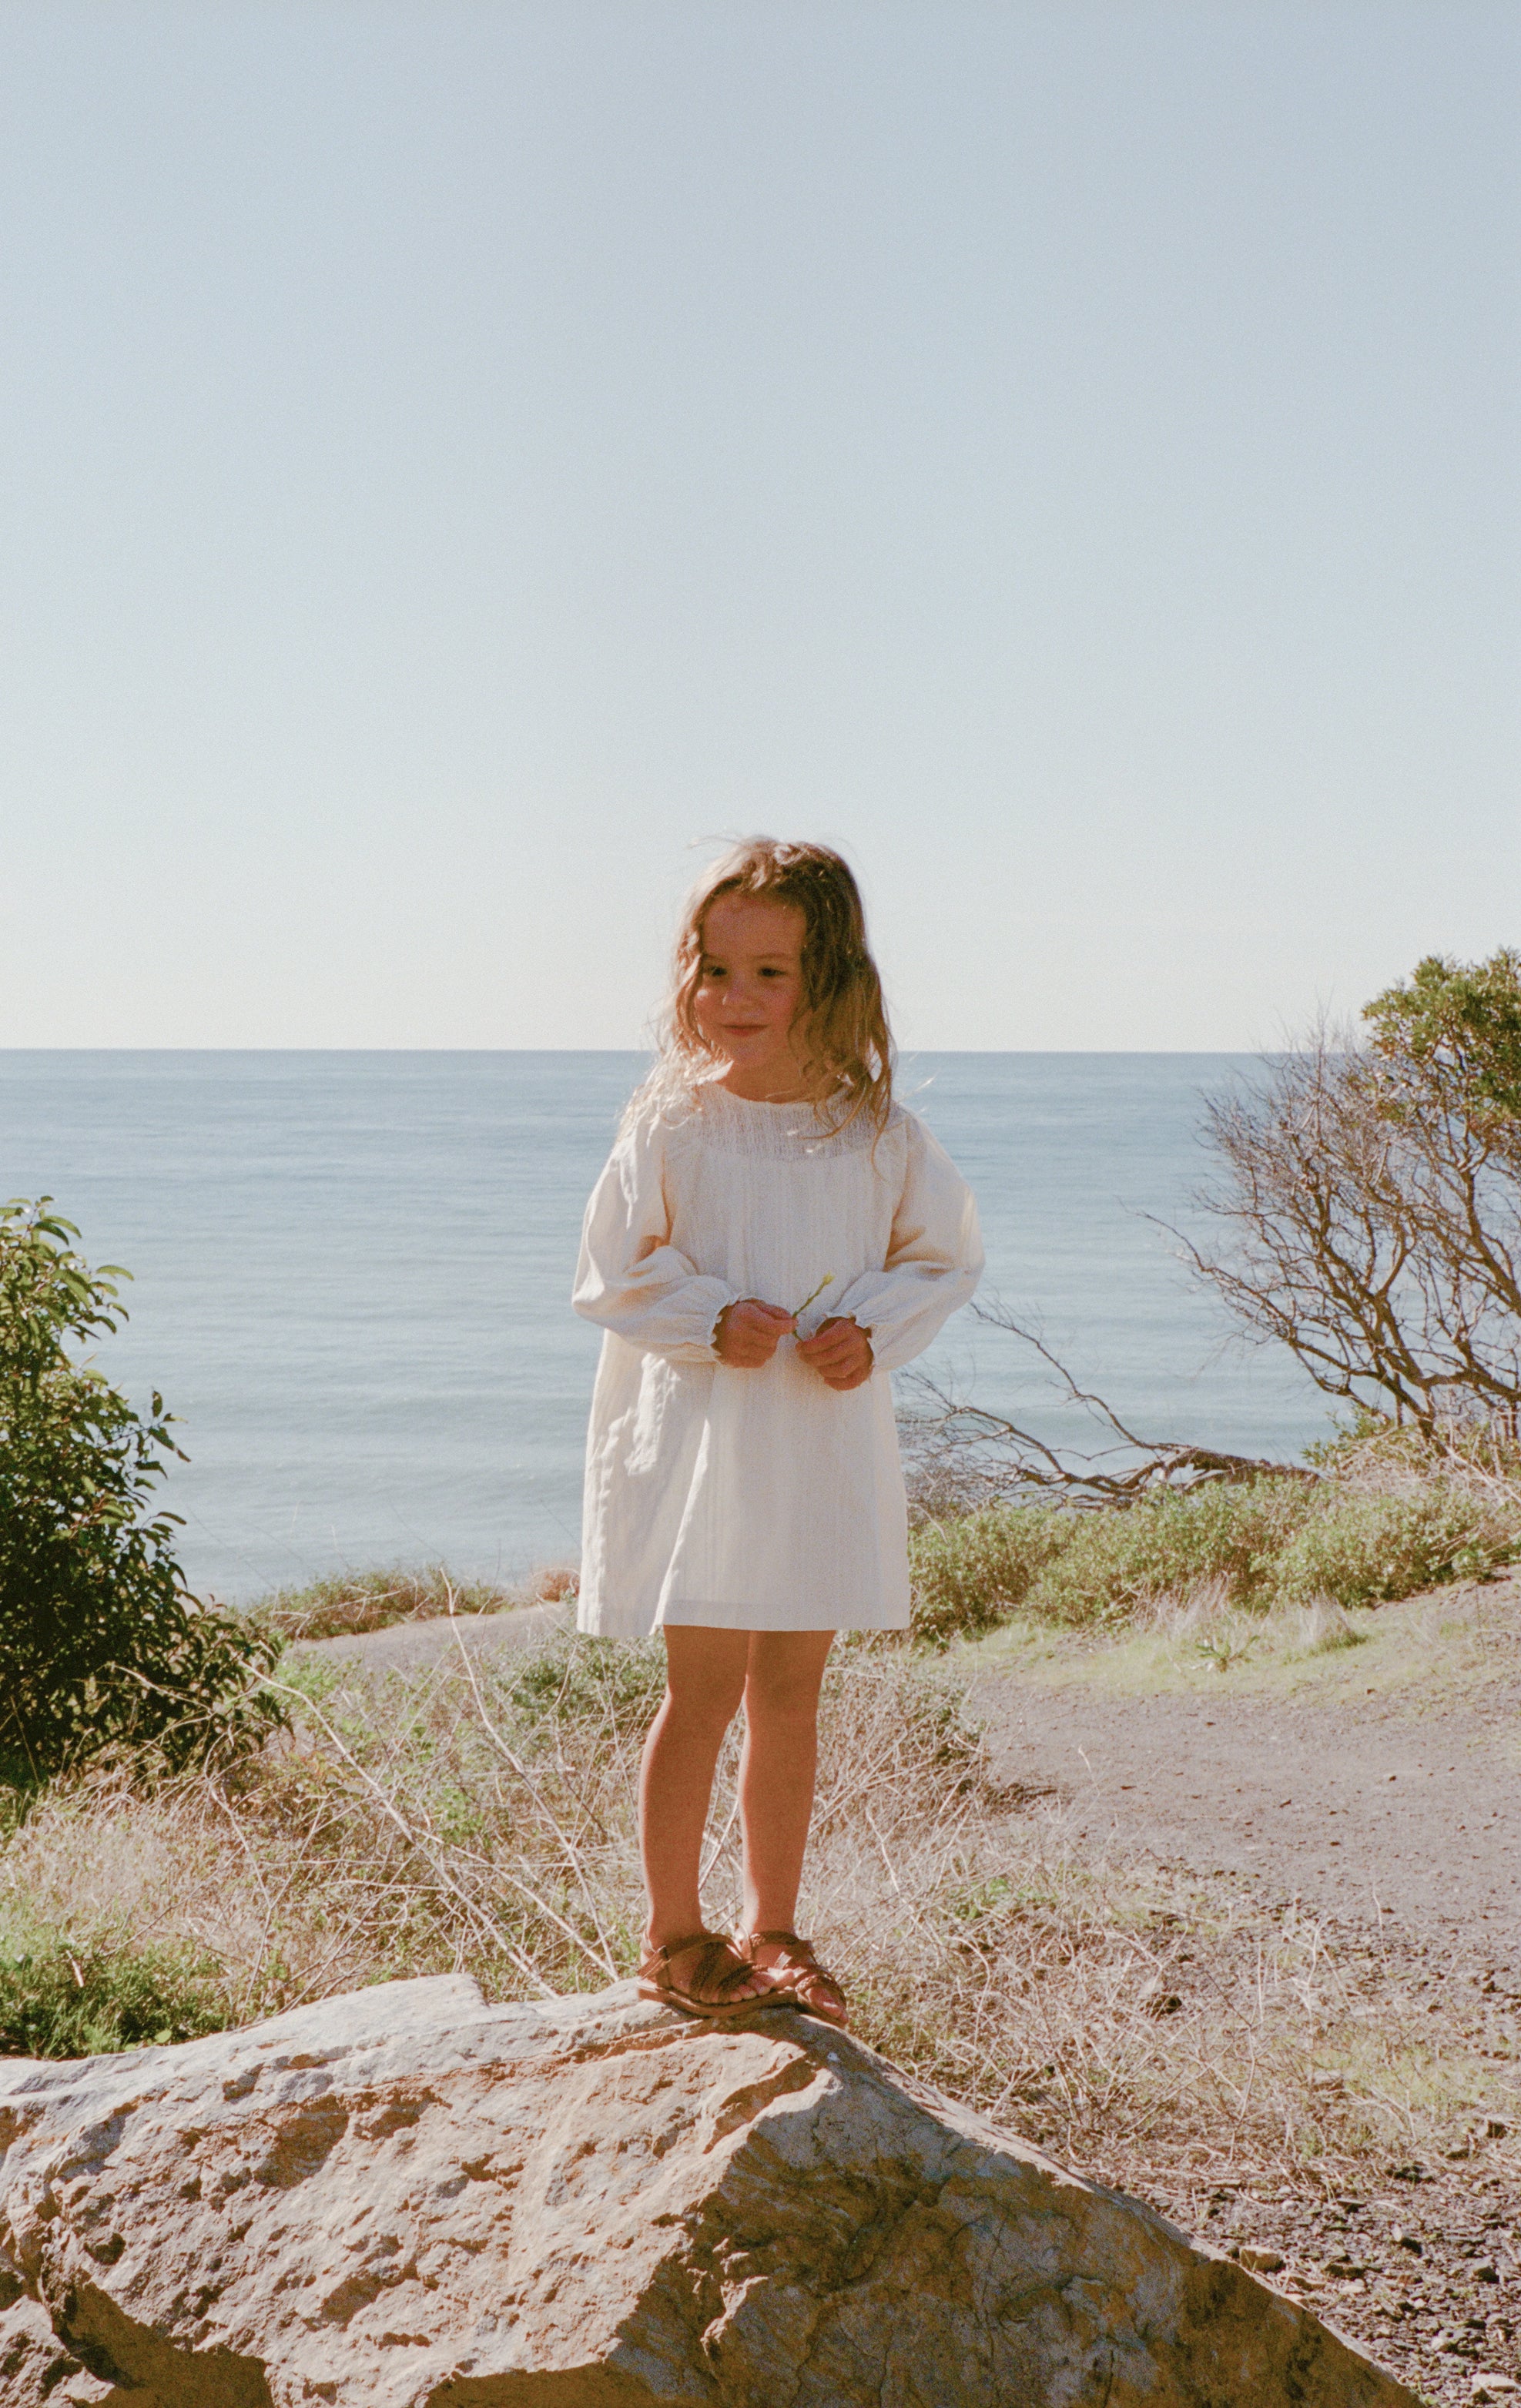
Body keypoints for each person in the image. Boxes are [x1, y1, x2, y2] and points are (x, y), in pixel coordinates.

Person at [571, 838, 983, 2025]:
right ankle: (673, 1939)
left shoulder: (875, 1133)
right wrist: (706, 1316)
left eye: (769, 974)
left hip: (814, 1441)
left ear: (832, 979)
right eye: (714, 968)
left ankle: (777, 1930)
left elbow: (945, 1254)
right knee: (698, 1691)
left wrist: (875, 1329)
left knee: (793, 1691)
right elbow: (608, 1272)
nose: (732, 999)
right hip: (700, 1450)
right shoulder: (670, 1124)